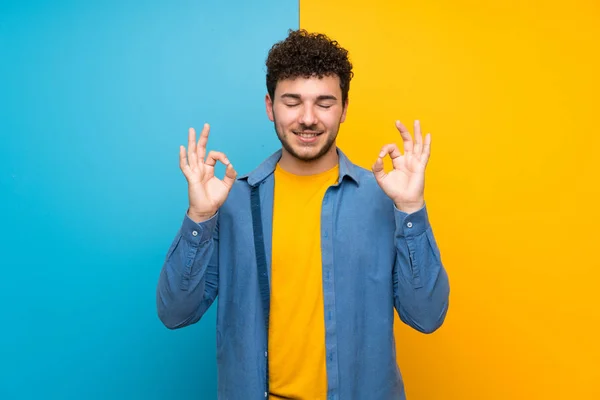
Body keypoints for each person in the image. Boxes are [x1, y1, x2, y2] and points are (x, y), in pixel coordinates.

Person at [156, 29, 450, 400]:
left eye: (324, 103)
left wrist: (410, 209)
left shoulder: (385, 199)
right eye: (292, 101)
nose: (307, 118)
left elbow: (427, 316)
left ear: (344, 109)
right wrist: (199, 216)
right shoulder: (230, 202)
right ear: (269, 106)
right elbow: (175, 312)